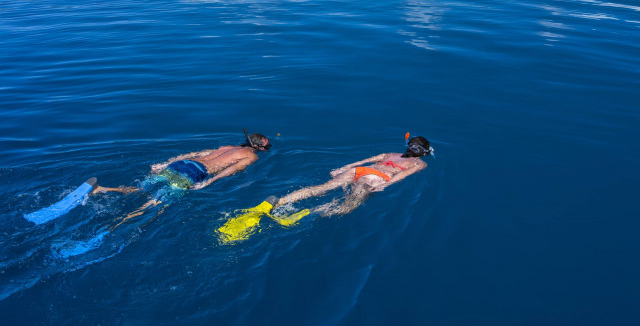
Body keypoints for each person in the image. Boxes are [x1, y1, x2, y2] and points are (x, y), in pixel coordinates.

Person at [92, 130, 271, 229]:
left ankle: (102, 189)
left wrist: (165, 163)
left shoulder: (226, 146)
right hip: (196, 172)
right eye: (266, 145)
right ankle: (119, 223)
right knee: (155, 203)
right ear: (257, 147)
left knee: (140, 188)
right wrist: (209, 181)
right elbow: (234, 168)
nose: (268, 147)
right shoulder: (251, 156)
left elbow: (194, 153)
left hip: (183, 164)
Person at [272, 136, 433, 217]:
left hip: (359, 170)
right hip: (377, 177)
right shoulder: (420, 164)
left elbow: (365, 160)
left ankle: (280, 201)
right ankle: (311, 212)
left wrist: (345, 167)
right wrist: (385, 185)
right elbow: (404, 174)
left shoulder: (390, 153)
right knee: (348, 206)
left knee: (322, 188)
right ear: (424, 153)